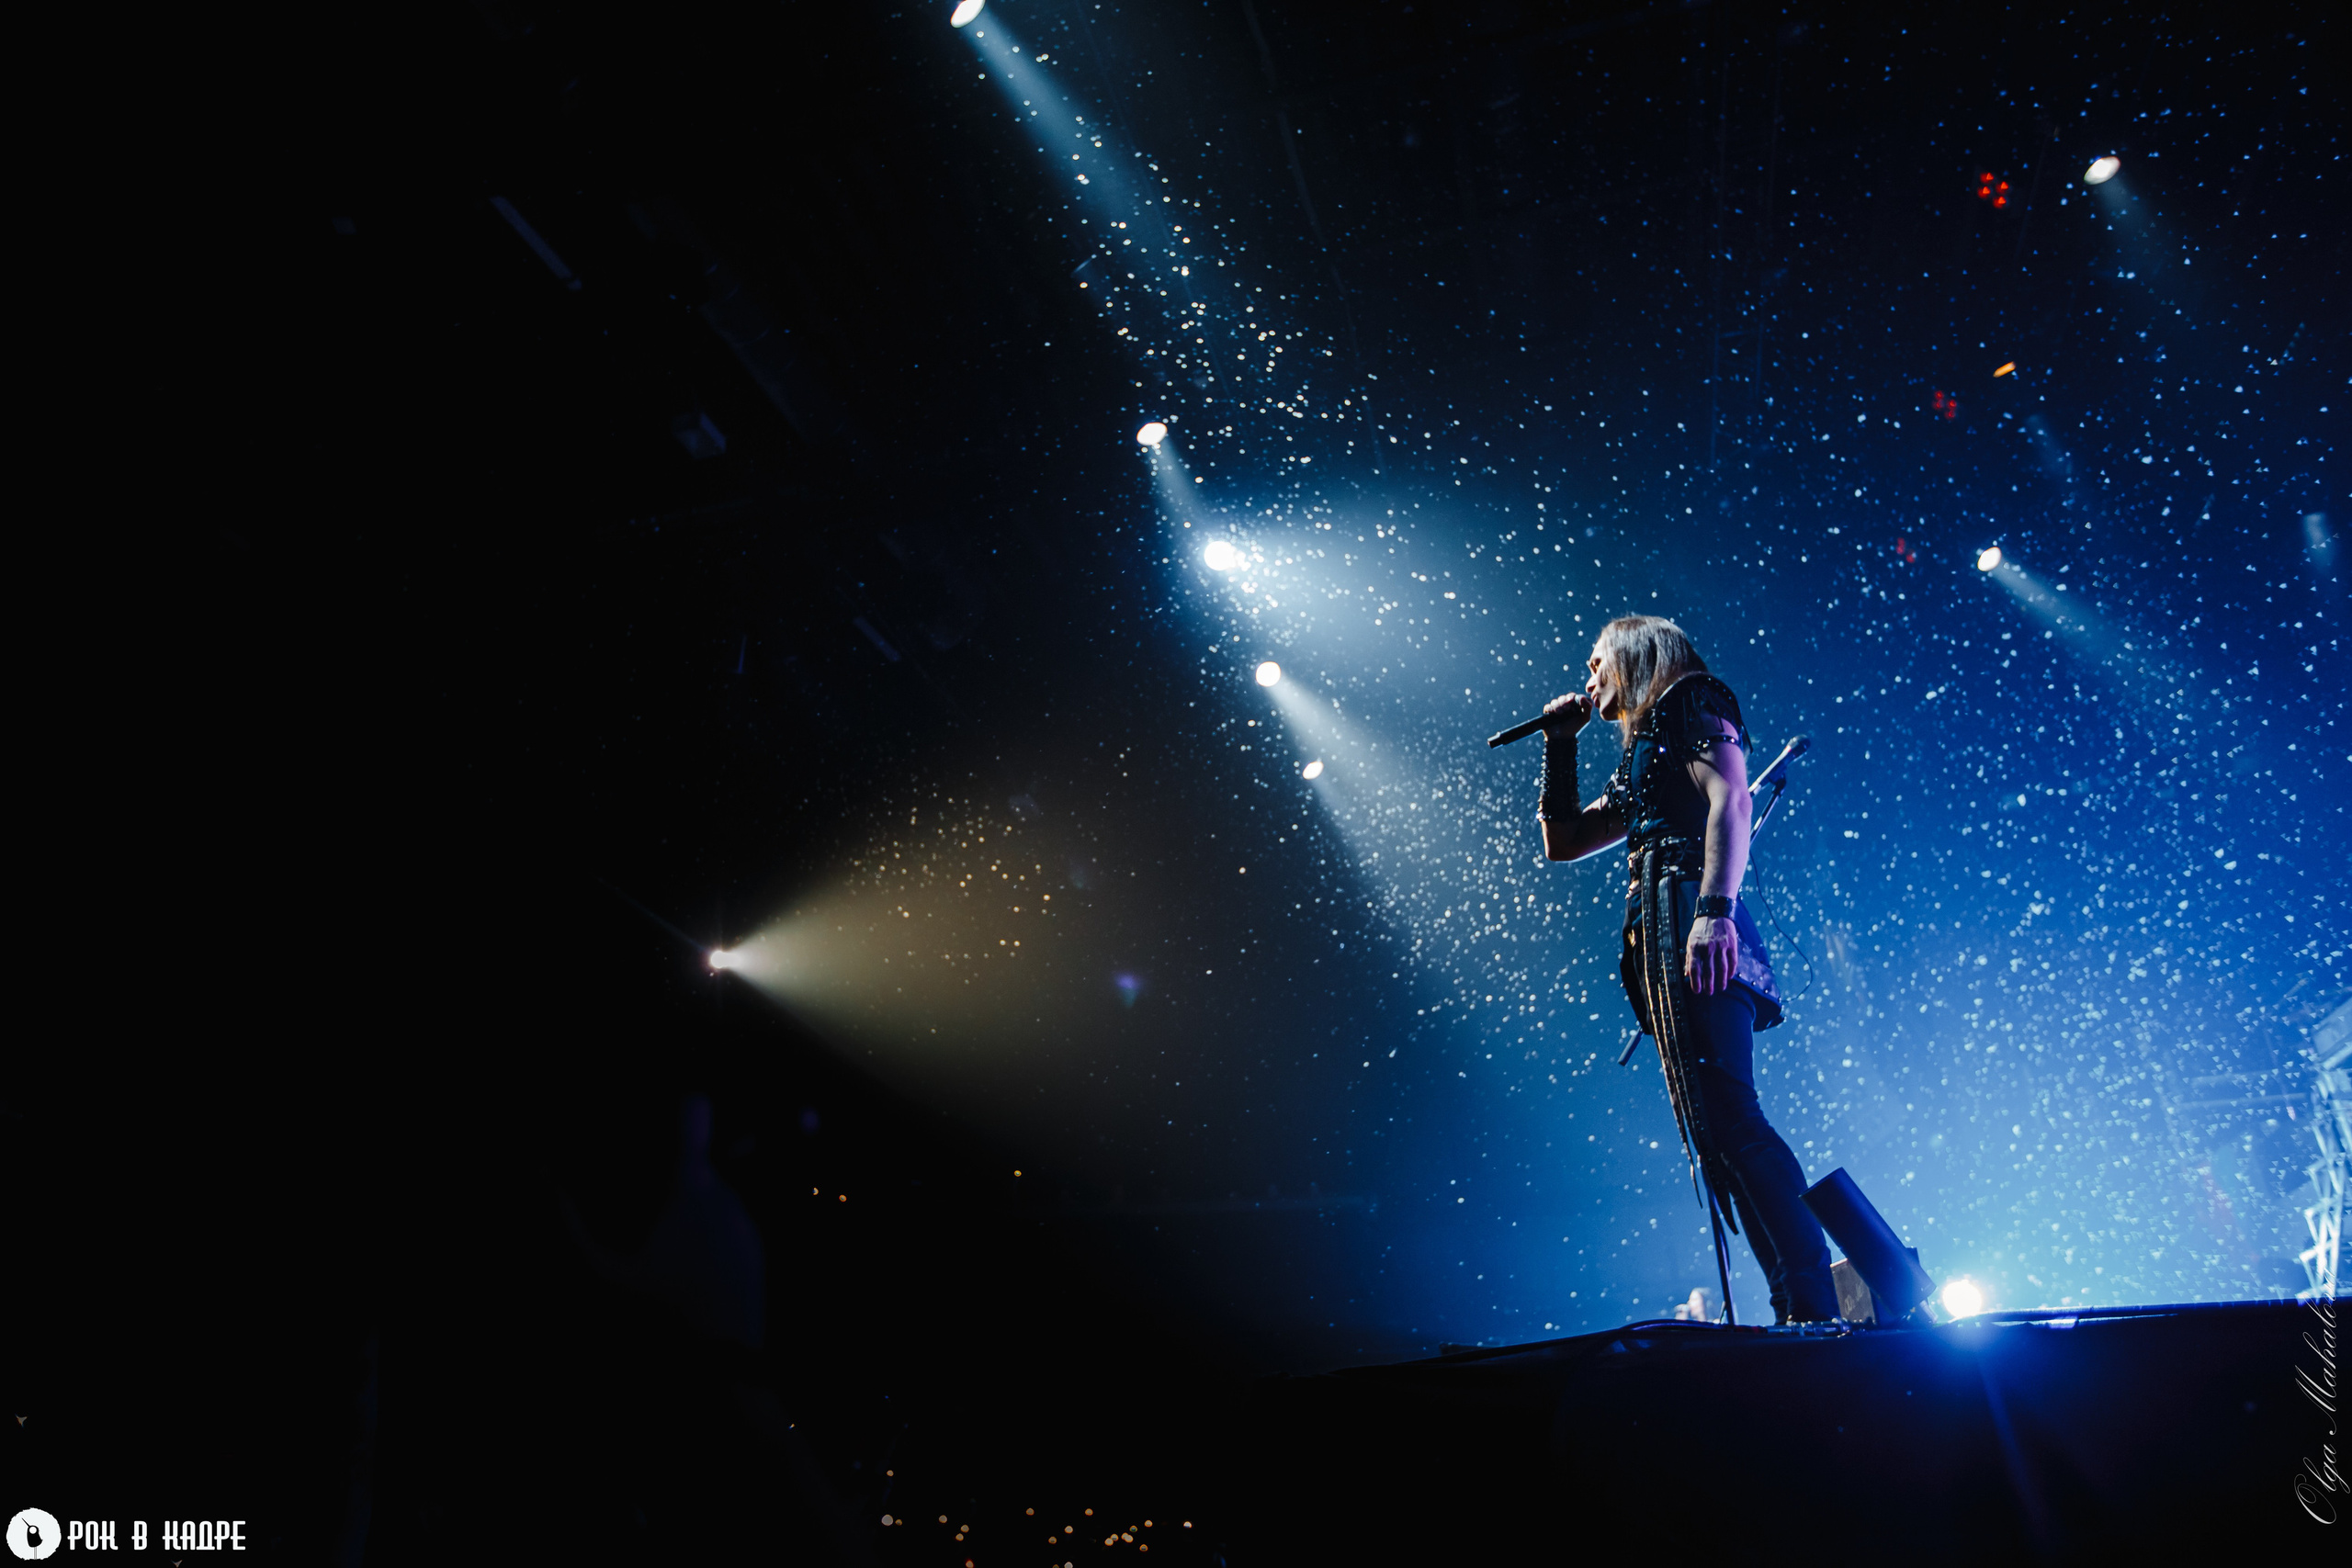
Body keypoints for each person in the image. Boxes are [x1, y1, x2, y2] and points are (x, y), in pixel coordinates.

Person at [1534, 615, 1838, 1325]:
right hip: (1664, 935)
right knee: (1718, 1137)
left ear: (1634, 655)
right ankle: (1794, 1306)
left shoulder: (1690, 701)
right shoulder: (1641, 753)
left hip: (1695, 923)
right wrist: (1559, 744)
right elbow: (1565, 840)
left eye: (1597, 662)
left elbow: (1732, 798)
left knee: (1733, 1116)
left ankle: (1815, 1302)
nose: (1588, 679)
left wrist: (1714, 910)